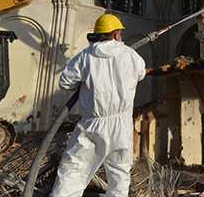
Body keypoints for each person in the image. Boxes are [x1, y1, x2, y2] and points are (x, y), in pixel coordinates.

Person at [50, 14, 146, 197]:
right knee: (119, 174)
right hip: (122, 124)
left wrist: (86, 80)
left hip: (93, 124)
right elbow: (140, 74)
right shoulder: (131, 54)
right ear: (117, 34)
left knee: (74, 171)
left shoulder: (85, 56)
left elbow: (65, 83)